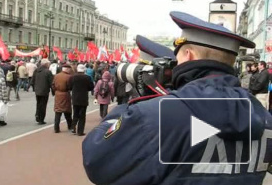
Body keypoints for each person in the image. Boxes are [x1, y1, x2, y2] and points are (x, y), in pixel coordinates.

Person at [82, 11, 272, 185]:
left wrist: (133, 105)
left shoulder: (156, 115)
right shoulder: (264, 118)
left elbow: (97, 161)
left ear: (188, 55)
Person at [68, 64, 94, 136]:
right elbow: (91, 87)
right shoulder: (87, 78)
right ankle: (80, 131)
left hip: (75, 97)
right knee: (82, 115)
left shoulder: (72, 77)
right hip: (83, 98)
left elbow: (69, 87)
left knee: (75, 113)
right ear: (84, 70)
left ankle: (73, 127)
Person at [31, 58, 53, 125]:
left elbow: (32, 81)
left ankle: (37, 116)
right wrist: (53, 91)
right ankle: (41, 119)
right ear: (46, 64)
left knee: (38, 103)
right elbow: (51, 82)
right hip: (44, 90)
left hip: (37, 90)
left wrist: (34, 88)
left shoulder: (36, 70)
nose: (49, 65)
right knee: (43, 105)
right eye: (48, 64)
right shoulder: (48, 72)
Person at [52, 64, 73, 133]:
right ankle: (70, 126)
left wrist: (55, 91)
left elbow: (53, 85)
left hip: (58, 94)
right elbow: (70, 86)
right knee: (67, 111)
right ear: (67, 69)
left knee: (58, 112)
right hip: (65, 94)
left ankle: (56, 128)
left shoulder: (56, 76)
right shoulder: (69, 77)